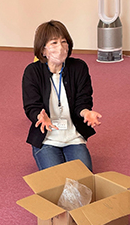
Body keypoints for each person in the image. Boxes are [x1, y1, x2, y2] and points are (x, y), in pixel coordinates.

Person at [22, 20, 102, 171]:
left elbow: (83, 100)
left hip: (73, 138)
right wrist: (39, 116)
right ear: (43, 49)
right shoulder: (32, 72)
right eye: (54, 43)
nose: (61, 47)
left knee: (83, 180)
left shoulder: (79, 67)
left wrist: (86, 112)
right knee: (57, 183)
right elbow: (31, 105)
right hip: (47, 139)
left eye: (64, 41)